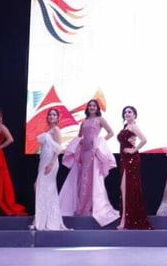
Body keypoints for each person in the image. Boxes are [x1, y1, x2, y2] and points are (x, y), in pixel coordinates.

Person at [58, 98, 120, 227]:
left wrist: (99, 142)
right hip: (83, 153)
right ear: (87, 108)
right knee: (82, 179)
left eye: (94, 105)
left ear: (97, 108)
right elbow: (80, 136)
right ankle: (81, 207)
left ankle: (88, 208)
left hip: (93, 152)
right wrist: (79, 143)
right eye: (90, 105)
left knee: (91, 180)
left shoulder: (100, 120)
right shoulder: (84, 121)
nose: (92, 107)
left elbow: (111, 133)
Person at [116, 106, 153, 230]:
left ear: (134, 115)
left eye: (130, 112)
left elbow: (144, 140)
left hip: (131, 160)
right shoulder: (126, 127)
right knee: (124, 188)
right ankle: (125, 219)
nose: (127, 114)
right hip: (124, 159)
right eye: (125, 112)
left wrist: (134, 150)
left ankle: (126, 221)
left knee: (128, 188)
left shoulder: (134, 126)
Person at [32, 108, 70, 230]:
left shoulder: (56, 130)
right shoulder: (48, 130)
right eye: (50, 114)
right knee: (41, 188)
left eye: (54, 115)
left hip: (50, 162)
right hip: (43, 161)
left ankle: (39, 218)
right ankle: (40, 217)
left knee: (41, 187)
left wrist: (52, 163)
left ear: (58, 118)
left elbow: (58, 149)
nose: (51, 116)